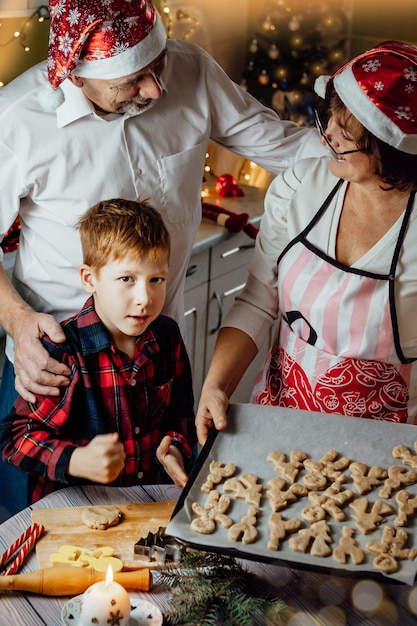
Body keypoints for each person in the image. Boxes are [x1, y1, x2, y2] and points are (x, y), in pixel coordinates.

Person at [0, 0, 324, 517]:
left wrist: (378, 157)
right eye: (133, 81)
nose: (156, 89)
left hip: (154, 360)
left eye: (159, 65)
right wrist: (17, 322)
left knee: (149, 526)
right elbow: (18, 439)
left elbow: (286, 148)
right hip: (57, 369)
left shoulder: (192, 70)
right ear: (77, 74)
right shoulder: (16, 119)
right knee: (33, 530)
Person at [196, 40, 417, 446]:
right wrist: (216, 386)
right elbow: (259, 300)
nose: (325, 136)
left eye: (344, 133)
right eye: (328, 119)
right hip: (275, 426)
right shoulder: (301, 187)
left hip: (387, 451)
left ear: (391, 147)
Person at [0, 198, 197, 504]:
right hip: (76, 514)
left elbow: (181, 416)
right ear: (90, 279)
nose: (144, 298)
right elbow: (14, 439)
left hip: (149, 506)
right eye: (126, 279)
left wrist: (175, 449)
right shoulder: (64, 352)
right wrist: (75, 460)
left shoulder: (168, 337)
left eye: (156, 279)